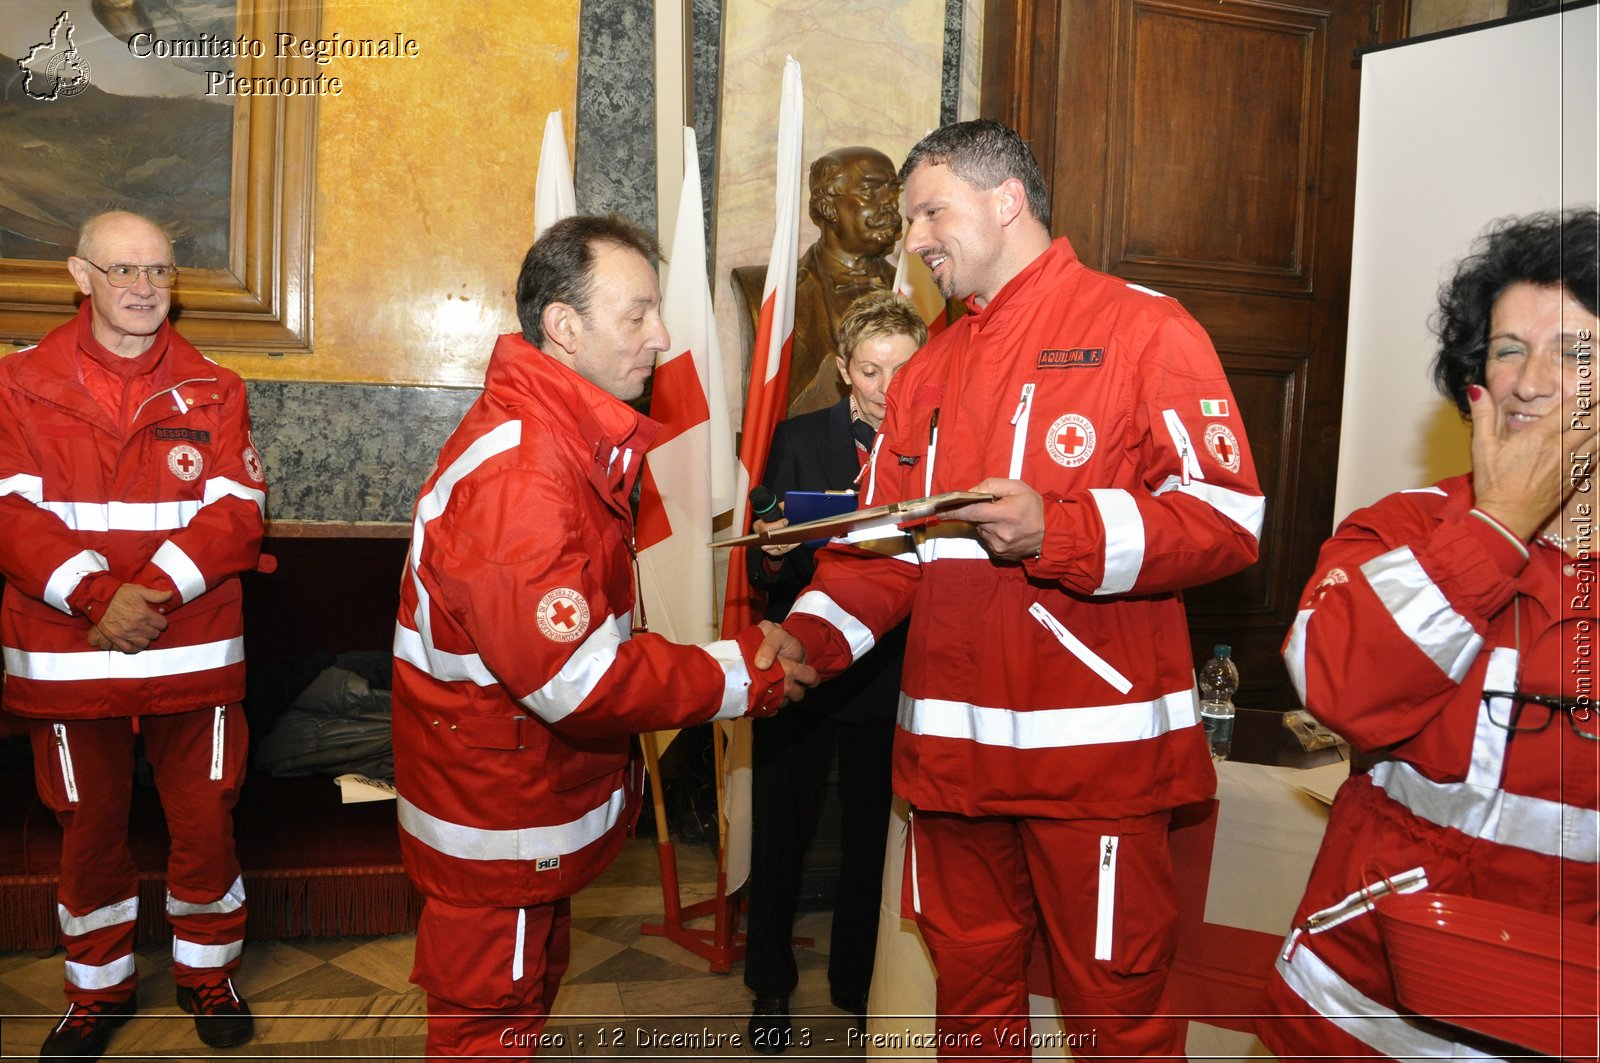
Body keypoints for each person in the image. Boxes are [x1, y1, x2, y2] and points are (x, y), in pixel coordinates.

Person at [757, 118, 1265, 1058]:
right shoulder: (930, 369)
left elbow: (1228, 518)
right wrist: (809, 641)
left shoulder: (1144, 327)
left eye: (928, 212)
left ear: (1007, 200)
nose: (911, 241)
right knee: (972, 1012)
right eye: (911, 220)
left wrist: (1058, 531)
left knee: (1118, 1019)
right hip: (955, 768)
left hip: (1096, 772)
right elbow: (882, 550)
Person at [390, 213, 817, 1060]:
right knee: (486, 1027)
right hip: (498, 813)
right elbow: (577, 681)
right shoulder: (525, 474)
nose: (662, 336)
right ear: (564, 325)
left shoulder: (562, 439)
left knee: (523, 999)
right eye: (639, 315)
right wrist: (744, 674)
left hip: (521, 792)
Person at [1263, 208, 1600, 1061]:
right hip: (1353, 1006)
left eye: (1574, 351)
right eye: (1508, 348)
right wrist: (1499, 527)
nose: (1529, 381)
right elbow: (1335, 683)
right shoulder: (1403, 527)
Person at [0, 210, 267, 1059]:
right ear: (82, 276)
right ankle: (96, 989)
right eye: (123, 271)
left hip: (192, 651)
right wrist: (96, 599)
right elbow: (9, 514)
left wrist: (139, 596)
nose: (145, 288)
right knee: (88, 832)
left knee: (206, 823)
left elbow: (238, 516)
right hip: (72, 658)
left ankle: (207, 974)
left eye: (159, 270)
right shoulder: (17, 384)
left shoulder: (217, 387)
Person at [744, 292, 926, 1050]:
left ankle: (857, 988)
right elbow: (760, 565)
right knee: (780, 837)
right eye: (872, 371)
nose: (887, 388)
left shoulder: (944, 443)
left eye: (903, 371)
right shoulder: (797, 437)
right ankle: (771, 990)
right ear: (847, 371)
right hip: (804, 669)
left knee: (870, 844)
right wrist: (774, 550)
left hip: (891, 674)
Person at [786, 146, 903, 416]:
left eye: (893, 190)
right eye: (870, 190)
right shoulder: (772, 295)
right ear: (827, 207)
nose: (891, 202)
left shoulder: (927, 296)